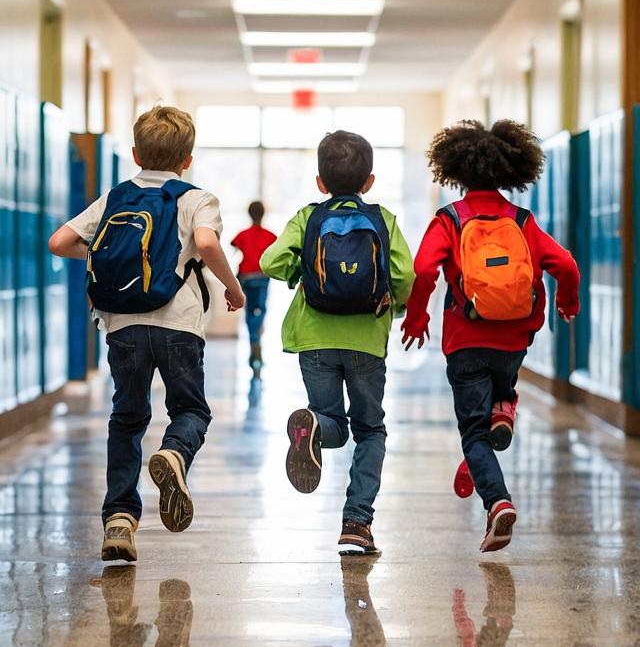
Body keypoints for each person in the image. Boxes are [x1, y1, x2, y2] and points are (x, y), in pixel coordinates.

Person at [49, 105, 245, 562]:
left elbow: (59, 242)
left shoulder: (115, 196)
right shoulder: (197, 198)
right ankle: (175, 453)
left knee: (127, 418)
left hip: (123, 325)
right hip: (178, 325)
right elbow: (208, 243)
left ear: (136, 153)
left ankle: (119, 519)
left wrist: (100, 259)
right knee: (191, 410)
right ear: (187, 159)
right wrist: (232, 289)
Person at [401, 119, 580, 553]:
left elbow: (424, 269)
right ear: (506, 170)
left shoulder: (450, 220)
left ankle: (497, 502)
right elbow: (567, 265)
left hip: (466, 339)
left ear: (456, 173)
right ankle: (504, 407)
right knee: (502, 390)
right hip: (514, 340)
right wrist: (567, 303)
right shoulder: (522, 220)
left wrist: (417, 314)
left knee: (474, 433)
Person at [260, 130, 414, 555]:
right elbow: (405, 275)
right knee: (370, 431)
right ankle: (357, 523)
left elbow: (269, 261)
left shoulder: (308, 217)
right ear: (369, 182)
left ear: (320, 182)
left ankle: (313, 428)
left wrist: (301, 274)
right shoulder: (383, 219)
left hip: (314, 336)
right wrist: (392, 306)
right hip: (367, 340)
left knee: (332, 420)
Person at [231, 201, 277, 371]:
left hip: (246, 278)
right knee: (261, 310)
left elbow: (233, 246)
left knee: (249, 310)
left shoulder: (243, 235)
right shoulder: (270, 236)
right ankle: (257, 339)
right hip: (263, 277)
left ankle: (253, 341)